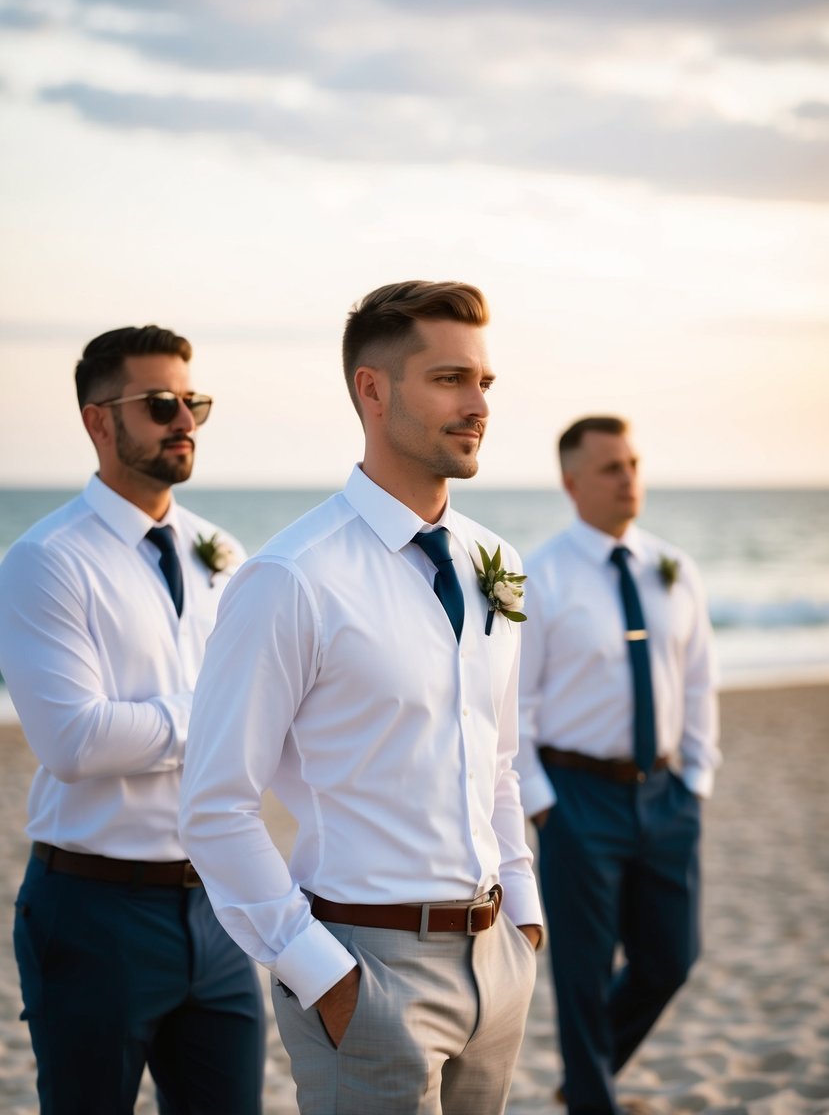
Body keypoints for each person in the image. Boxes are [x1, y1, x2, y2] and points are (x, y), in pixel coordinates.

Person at [179, 280, 544, 1115]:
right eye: (450, 379)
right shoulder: (291, 578)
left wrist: (522, 921)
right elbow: (214, 806)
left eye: (484, 382)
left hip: (495, 965)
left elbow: (496, 763)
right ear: (371, 391)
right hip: (365, 968)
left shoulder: (498, 561)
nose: (477, 403)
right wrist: (321, 974)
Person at [0, 326, 265, 1115]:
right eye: (160, 405)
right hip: (93, 913)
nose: (183, 421)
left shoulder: (223, 550)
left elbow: (269, 713)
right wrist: (218, 714)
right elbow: (74, 741)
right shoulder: (46, 561)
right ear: (98, 420)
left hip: (218, 909)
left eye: (194, 403)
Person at [516, 416, 721, 1115]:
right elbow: (515, 705)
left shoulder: (673, 568)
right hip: (576, 796)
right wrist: (543, 805)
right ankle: (591, 1102)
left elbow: (696, 682)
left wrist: (696, 780)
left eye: (632, 463)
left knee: (670, 960)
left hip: (666, 796)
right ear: (571, 483)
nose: (627, 477)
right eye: (609, 468)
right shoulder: (539, 578)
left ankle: (583, 1080)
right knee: (580, 973)